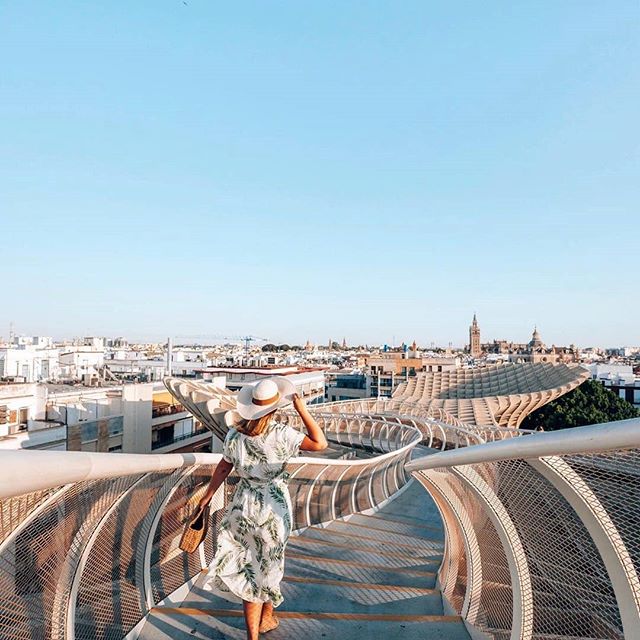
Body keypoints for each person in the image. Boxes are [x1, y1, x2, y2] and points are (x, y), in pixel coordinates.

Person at [195, 377, 328, 640]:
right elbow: (320, 443)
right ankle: (254, 634)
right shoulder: (282, 434)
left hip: (243, 507)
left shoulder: (234, 434)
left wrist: (206, 497)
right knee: (267, 565)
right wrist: (302, 409)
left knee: (254, 565)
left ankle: (265, 619)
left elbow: (223, 468)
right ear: (274, 407)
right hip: (273, 508)